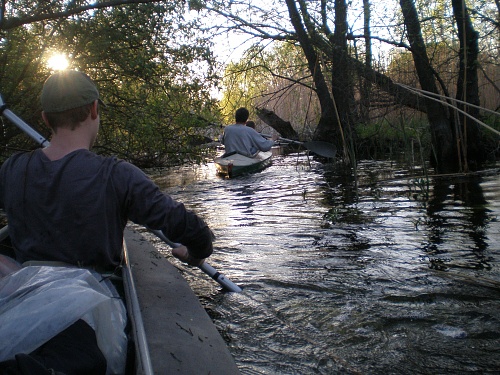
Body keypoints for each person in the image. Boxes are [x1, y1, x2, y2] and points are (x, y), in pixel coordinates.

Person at [0, 70, 213, 374]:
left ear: (45, 119)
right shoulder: (116, 175)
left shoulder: (12, 169)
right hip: (92, 306)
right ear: (95, 109)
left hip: (25, 297)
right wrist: (197, 252)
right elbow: (189, 228)